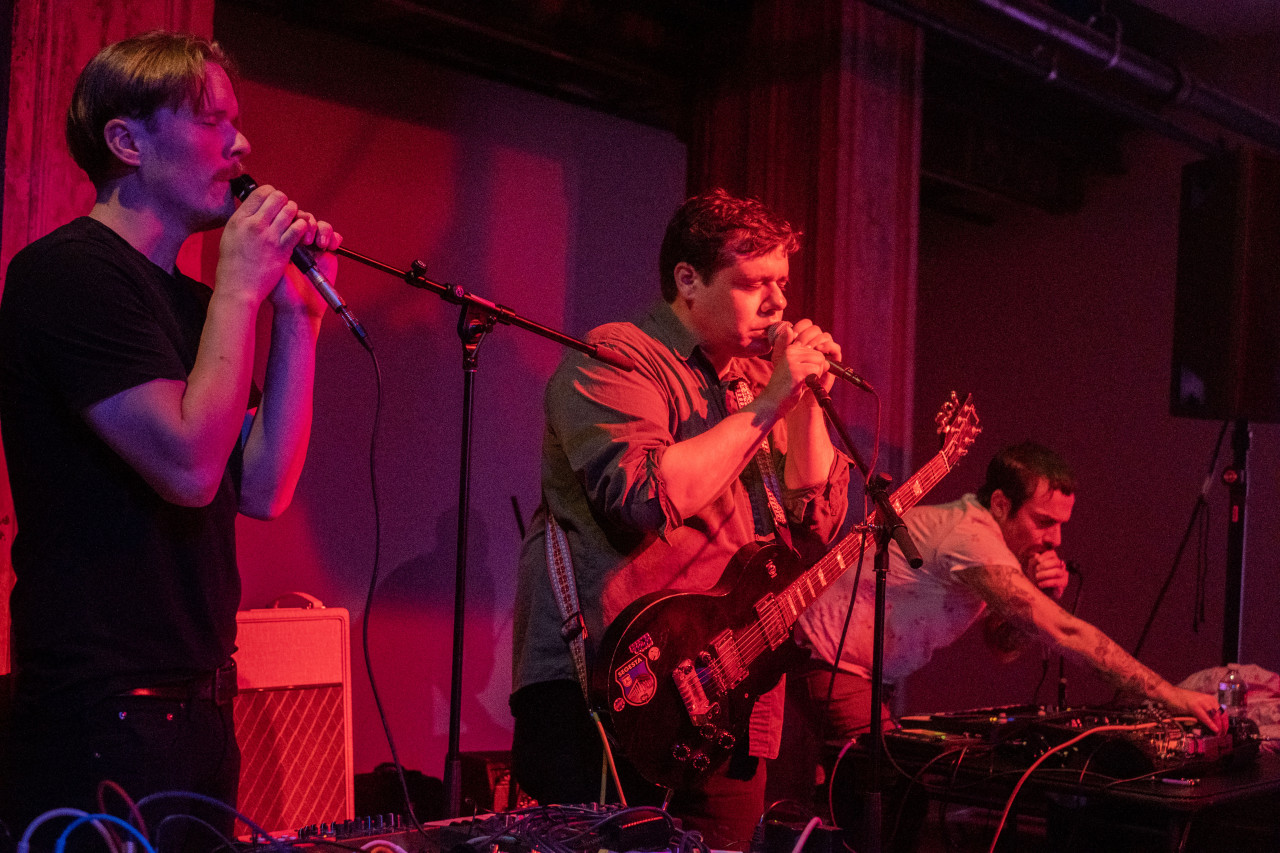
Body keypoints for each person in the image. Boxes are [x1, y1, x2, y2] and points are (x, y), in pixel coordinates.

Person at [0, 31, 340, 844]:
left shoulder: (193, 304)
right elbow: (188, 465)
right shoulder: (68, 272)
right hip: (102, 707)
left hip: (199, 701)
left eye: (238, 121)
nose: (242, 144)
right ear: (126, 140)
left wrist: (299, 321)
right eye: (211, 121)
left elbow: (261, 487)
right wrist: (238, 288)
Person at [509, 189, 851, 849]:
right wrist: (774, 402)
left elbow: (814, 520)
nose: (779, 302)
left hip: (729, 697)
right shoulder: (620, 355)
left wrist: (803, 403)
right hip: (614, 693)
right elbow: (643, 495)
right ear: (688, 280)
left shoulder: (757, 381)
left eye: (782, 282)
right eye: (755, 283)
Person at [791, 443, 1223, 831]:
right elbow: (1065, 631)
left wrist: (1035, 594)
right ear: (1000, 503)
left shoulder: (986, 539)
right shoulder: (970, 537)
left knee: (890, 799)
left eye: (1060, 524)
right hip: (827, 662)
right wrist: (1171, 695)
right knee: (888, 796)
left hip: (862, 675)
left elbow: (1002, 645)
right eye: (1043, 521)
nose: (1055, 538)